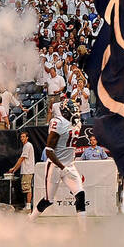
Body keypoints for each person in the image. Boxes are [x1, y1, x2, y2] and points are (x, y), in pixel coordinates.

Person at [29, 97, 85, 226]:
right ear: (65, 111)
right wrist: (62, 167)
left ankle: (84, 232)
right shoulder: (58, 122)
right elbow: (49, 151)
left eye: (76, 110)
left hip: (69, 165)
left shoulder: (77, 123)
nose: (76, 112)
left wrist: (67, 166)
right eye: (73, 110)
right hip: (55, 166)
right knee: (49, 200)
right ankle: (30, 219)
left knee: (80, 195)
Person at [7, 131, 35, 210]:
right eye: (21, 137)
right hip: (26, 170)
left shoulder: (27, 146)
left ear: (27, 137)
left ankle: (28, 206)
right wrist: (15, 170)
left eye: (23, 137)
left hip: (28, 171)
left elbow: (21, 159)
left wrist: (13, 168)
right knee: (26, 188)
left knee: (27, 188)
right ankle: (27, 205)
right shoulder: (26, 146)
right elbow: (22, 160)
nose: (22, 138)